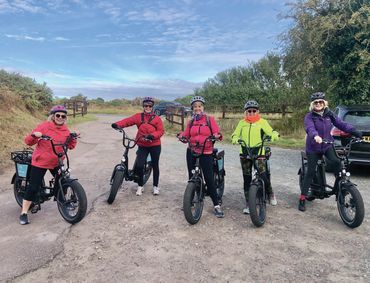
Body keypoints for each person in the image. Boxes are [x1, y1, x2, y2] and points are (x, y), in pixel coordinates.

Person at [298, 92, 363, 211]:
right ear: (313, 104)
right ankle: (302, 198)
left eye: (320, 102)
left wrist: (355, 131)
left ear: (324, 103)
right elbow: (310, 128)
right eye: (316, 102)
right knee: (311, 172)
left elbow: (341, 124)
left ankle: (340, 188)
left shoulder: (329, 114)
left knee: (337, 163)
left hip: (327, 145)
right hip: (313, 147)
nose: (318, 104)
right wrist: (315, 136)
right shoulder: (309, 116)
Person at [20, 105, 78, 225]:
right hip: (40, 161)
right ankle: (24, 213)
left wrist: (74, 137)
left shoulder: (65, 129)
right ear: (53, 116)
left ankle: (62, 201)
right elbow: (28, 142)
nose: (60, 118)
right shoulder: (44, 126)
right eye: (58, 115)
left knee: (63, 181)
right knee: (34, 187)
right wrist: (34, 136)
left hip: (57, 161)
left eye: (63, 116)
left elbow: (71, 146)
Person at [177, 95, 224, 218]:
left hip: (206, 151)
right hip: (191, 151)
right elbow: (186, 134)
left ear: (203, 107)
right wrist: (181, 136)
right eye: (195, 107)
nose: (197, 108)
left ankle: (216, 205)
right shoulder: (191, 121)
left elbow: (215, 131)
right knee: (192, 175)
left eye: (199, 106)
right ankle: (190, 202)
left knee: (208, 178)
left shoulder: (209, 119)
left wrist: (217, 135)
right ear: (192, 108)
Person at [231, 100, 279, 214]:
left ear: (257, 111)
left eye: (254, 111)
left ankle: (270, 193)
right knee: (246, 179)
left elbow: (271, 132)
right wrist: (235, 139)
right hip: (245, 152)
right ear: (246, 112)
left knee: (263, 175)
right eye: (249, 111)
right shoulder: (242, 123)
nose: (251, 113)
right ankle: (248, 203)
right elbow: (235, 134)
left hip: (259, 152)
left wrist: (274, 136)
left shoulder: (262, 122)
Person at [111, 97, 164, 196]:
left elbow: (161, 131)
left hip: (154, 145)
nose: (148, 107)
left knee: (155, 165)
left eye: (150, 106)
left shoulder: (157, 119)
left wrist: (153, 136)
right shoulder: (138, 116)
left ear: (152, 107)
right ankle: (140, 186)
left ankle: (155, 186)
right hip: (142, 144)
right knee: (139, 165)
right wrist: (117, 124)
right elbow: (128, 121)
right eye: (146, 105)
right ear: (143, 106)